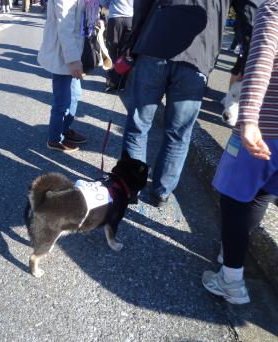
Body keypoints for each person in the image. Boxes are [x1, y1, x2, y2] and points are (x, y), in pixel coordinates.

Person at [121, 0, 256, 207]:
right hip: (198, 55)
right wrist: (248, 59)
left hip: (154, 43)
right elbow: (249, 12)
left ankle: (129, 187)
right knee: (178, 133)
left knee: (138, 124)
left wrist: (134, 40)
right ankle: (161, 193)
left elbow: (142, 4)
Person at [202, 0, 278, 305]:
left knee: (234, 200)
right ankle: (230, 252)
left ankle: (231, 280)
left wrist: (247, 119)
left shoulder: (274, 8)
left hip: (265, 128)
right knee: (261, 196)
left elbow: (260, 60)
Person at [37, 0, 88, 152]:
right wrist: (73, 59)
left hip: (71, 50)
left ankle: (64, 129)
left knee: (74, 95)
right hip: (63, 54)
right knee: (62, 100)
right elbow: (65, 27)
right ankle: (54, 138)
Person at [100, 0, 133, 92]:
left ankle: (113, 81)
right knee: (125, 51)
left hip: (115, 18)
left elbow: (104, 3)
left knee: (112, 50)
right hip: (130, 18)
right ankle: (123, 81)